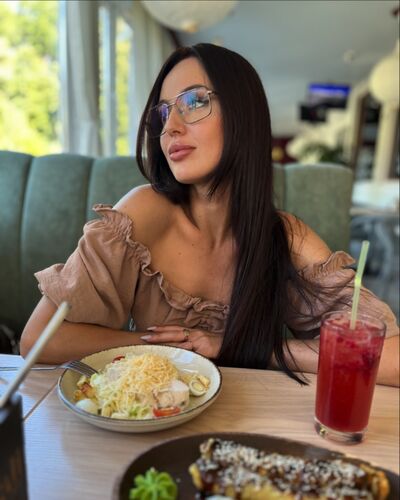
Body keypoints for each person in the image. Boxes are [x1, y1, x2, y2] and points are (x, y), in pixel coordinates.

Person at [20, 43, 399, 386]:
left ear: (242, 114)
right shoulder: (142, 213)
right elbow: (39, 340)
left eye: (195, 101)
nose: (170, 127)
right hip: (151, 417)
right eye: (163, 113)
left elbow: (392, 359)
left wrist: (248, 349)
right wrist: (168, 349)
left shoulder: (286, 237)